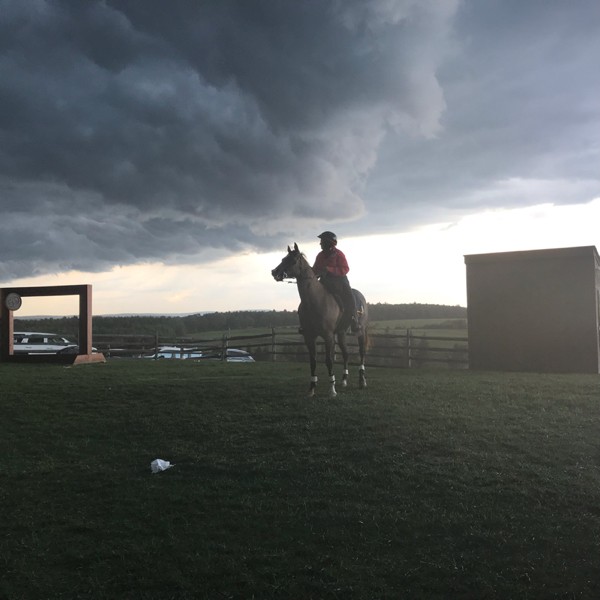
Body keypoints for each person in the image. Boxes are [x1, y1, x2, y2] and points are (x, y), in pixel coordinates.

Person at [312, 231, 358, 332]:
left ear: (329, 243)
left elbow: (345, 269)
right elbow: (315, 269)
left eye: (322, 242)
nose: (320, 243)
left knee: (350, 298)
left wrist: (329, 269)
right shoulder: (320, 255)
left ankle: (354, 319)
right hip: (324, 281)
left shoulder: (339, 254)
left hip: (340, 281)